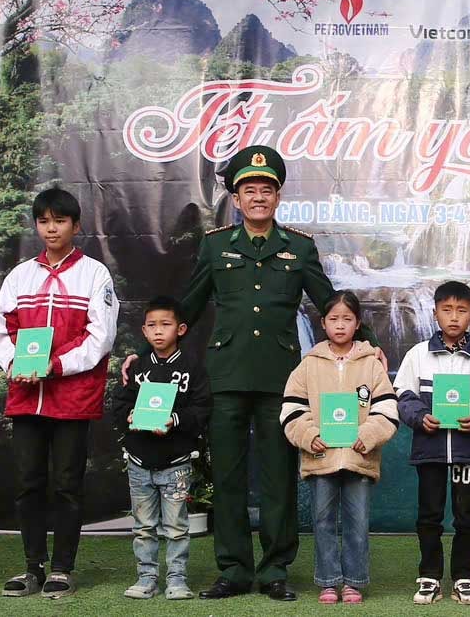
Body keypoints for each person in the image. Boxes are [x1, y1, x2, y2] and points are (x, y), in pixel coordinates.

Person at [124, 145, 381, 602]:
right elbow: (189, 306)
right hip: (226, 376)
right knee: (227, 476)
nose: (258, 197)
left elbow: (328, 301)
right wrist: (144, 354)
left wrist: (369, 343)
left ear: (277, 197)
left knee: (278, 476)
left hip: (281, 378)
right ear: (237, 199)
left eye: (266, 189)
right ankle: (234, 570)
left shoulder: (298, 247)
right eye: (249, 190)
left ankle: (276, 569)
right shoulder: (215, 245)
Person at [0, 187, 119, 599]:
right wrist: (15, 363)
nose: (51, 228)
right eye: (44, 221)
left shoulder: (94, 275)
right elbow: (0, 328)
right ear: (36, 225)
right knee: (28, 482)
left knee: (67, 484)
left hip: (72, 398)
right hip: (26, 397)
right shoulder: (19, 275)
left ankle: (62, 568)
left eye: (60, 221)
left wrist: (56, 364)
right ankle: (32, 567)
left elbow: (101, 337)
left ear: (75, 226)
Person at [395, 281, 470, 606]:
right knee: (429, 515)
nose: (454, 317)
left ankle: (463, 576)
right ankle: (429, 575)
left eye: (461, 310)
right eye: (447, 310)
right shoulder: (418, 355)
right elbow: (402, 395)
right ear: (435, 313)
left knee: (466, 517)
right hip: (429, 451)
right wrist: (420, 417)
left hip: (467, 452)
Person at [281, 291, 399, 605]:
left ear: (357, 323)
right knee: (322, 522)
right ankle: (329, 581)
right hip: (321, 458)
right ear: (323, 323)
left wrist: (368, 435)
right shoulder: (308, 364)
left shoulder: (371, 365)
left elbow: (386, 408)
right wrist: (309, 435)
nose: (340, 325)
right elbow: (292, 408)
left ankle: (354, 582)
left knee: (357, 523)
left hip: (360, 458)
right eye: (334, 319)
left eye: (347, 319)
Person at [109, 296, 212, 600]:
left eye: (165, 325)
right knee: (143, 526)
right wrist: (129, 417)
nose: (158, 331)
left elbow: (202, 407)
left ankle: (177, 580)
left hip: (176, 462)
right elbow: (119, 403)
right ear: (143, 330)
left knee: (177, 527)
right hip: (139, 460)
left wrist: (174, 420)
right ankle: (146, 578)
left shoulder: (192, 367)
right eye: (151, 325)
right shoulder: (136, 367)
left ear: (180, 329)